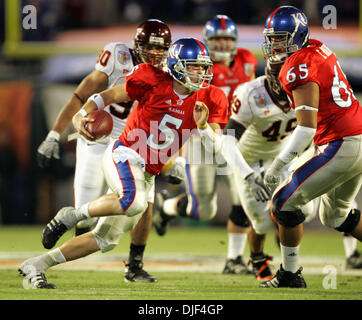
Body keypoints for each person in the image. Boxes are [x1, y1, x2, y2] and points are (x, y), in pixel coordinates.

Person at [18, 37, 244, 289]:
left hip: (148, 170)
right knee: (134, 201)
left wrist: (202, 127)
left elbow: (216, 146)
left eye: (203, 67)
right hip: (125, 153)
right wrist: (82, 115)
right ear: (178, 65)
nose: (201, 73)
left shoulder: (211, 97)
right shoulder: (152, 79)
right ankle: (72, 215)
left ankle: (37, 264)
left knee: (105, 239)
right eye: (194, 66)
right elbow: (107, 95)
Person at [36, 19, 172, 283]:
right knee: (83, 221)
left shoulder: (168, 71)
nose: (155, 54)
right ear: (137, 45)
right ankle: (50, 252)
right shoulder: (118, 57)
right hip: (96, 139)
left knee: (145, 205)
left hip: (132, 145)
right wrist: (55, 133)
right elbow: (82, 94)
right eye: (149, 47)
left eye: (161, 49)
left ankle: (134, 265)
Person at [259, 6, 362, 288]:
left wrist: (279, 164)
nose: (274, 45)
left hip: (341, 143)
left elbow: (306, 127)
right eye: (273, 38)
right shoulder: (317, 48)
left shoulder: (298, 65)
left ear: (297, 36)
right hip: (355, 139)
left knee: (282, 203)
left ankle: (289, 276)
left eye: (281, 38)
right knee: (335, 215)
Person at [152, 15, 258, 275]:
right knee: (203, 211)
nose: (222, 44)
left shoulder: (247, 60)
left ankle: (233, 259)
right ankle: (166, 207)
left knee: (242, 199)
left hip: (234, 138)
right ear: (207, 42)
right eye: (217, 39)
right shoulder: (196, 65)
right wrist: (177, 153)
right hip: (202, 139)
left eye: (227, 39)